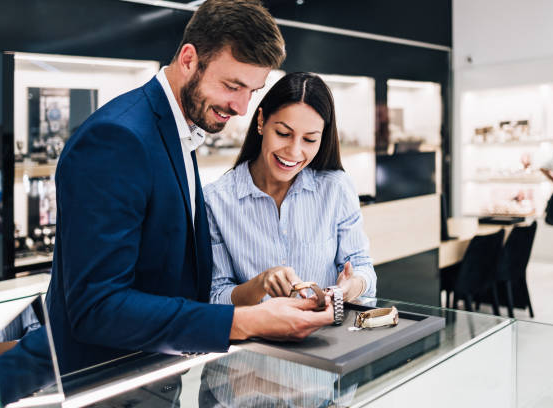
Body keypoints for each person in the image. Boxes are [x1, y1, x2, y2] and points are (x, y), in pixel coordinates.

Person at [45, 0, 332, 375]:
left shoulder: (178, 130)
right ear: (188, 59)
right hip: (100, 383)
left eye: (253, 91)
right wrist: (247, 321)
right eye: (232, 86)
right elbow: (97, 307)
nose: (242, 108)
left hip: (152, 376)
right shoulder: (116, 138)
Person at [204, 72, 376, 306]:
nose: (294, 152)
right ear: (261, 121)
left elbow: (362, 268)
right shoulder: (215, 201)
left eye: (310, 140)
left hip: (327, 338)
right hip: (257, 341)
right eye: (283, 134)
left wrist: (351, 286)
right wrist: (260, 283)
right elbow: (216, 296)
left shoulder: (336, 188)